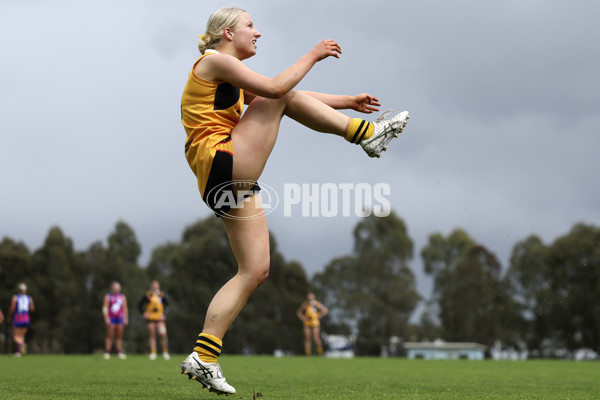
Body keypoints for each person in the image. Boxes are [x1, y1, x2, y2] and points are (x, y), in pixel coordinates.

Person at [179, 7, 410, 395]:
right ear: (225, 33)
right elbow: (275, 91)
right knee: (278, 93)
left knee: (255, 270)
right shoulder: (215, 61)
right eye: (250, 26)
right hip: (222, 158)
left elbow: (287, 94)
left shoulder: (227, 72)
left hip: (220, 177)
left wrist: (346, 100)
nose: (258, 33)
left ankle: (204, 355)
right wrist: (313, 54)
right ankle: (365, 136)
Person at [138, 280, 170, 360]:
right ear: (151, 286)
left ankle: (165, 351)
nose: (155, 286)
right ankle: (153, 352)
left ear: (158, 286)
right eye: (154, 285)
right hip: (150, 319)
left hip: (159, 319)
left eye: (156, 285)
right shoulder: (148, 294)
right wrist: (143, 313)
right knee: (152, 336)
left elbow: (168, 305)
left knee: (163, 334)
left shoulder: (162, 294)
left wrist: (164, 314)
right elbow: (139, 305)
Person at [102, 281, 128, 359]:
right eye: (115, 288)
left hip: (120, 318)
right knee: (110, 335)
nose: (116, 289)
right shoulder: (108, 296)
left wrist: (126, 318)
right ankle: (107, 352)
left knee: (119, 336)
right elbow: (105, 308)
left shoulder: (122, 297)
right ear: (112, 288)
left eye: (118, 288)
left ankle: (119, 352)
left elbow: (125, 308)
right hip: (111, 318)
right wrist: (106, 318)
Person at [8, 283, 35, 357]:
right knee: (22, 336)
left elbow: (12, 308)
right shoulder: (29, 298)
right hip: (26, 317)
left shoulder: (15, 297)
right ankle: (19, 352)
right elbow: (32, 309)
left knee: (16, 336)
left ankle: (22, 346)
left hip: (18, 317)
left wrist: (9, 317)